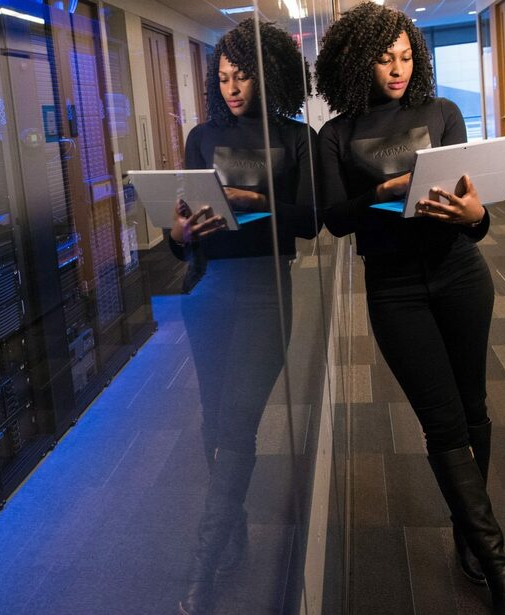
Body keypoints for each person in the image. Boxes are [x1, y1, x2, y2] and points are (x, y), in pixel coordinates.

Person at [313, 4, 505, 614]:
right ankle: (498, 562)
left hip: (460, 275)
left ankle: (467, 531)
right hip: (394, 287)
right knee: (442, 421)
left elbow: (474, 213)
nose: (398, 69)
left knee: (473, 406)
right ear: (359, 61)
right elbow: (334, 219)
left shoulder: (443, 113)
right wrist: (380, 192)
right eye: (385, 58)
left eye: (407, 56)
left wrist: (477, 215)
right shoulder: (338, 134)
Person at [166, 18, 316, 615]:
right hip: (209, 290)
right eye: (223, 77)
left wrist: (260, 202)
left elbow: (310, 222)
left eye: (242, 75)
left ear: (268, 73)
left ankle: (204, 563)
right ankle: (233, 535)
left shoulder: (296, 137)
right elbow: (183, 234)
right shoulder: (201, 137)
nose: (232, 87)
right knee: (212, 420)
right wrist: (178, 233)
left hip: (265, 292)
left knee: (237, 425)